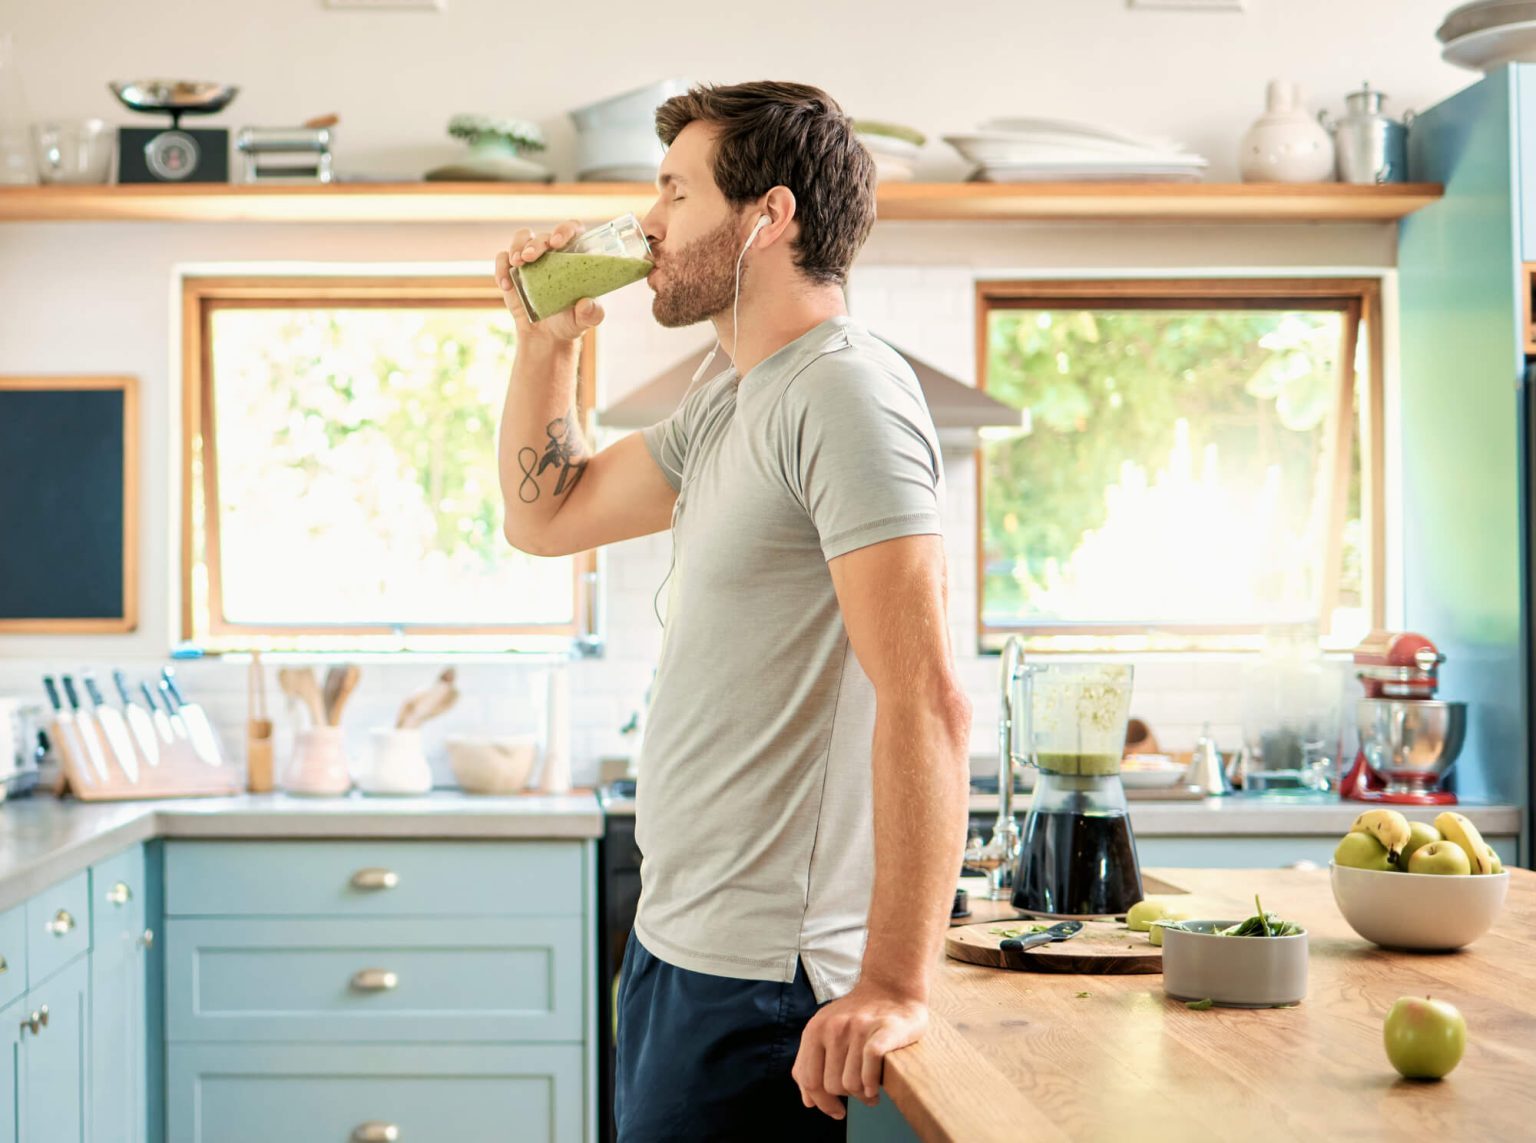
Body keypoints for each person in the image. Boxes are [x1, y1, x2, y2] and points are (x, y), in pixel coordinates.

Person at [494, 80, 972, 1142]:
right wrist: (546, 343)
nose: (649, 224)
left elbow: (927, 696)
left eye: (674, 192)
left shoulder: (842, 391)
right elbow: (549, 516)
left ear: (770, 216)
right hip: (678, 946)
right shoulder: (733, 392)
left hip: (765, 982)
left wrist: (895, 982)